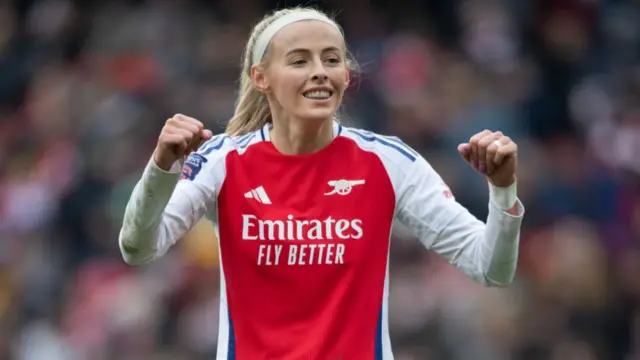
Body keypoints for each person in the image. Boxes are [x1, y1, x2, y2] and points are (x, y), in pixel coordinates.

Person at [119, 6, 525, 360]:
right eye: (299, 61)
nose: (319, 72)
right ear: (261, 77)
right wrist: (161, 169)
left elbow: (490, 267)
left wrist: (502, 189)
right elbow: (138, 247)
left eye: (331, 60)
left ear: (346, 75)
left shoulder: (388, 161)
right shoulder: (223, 161)